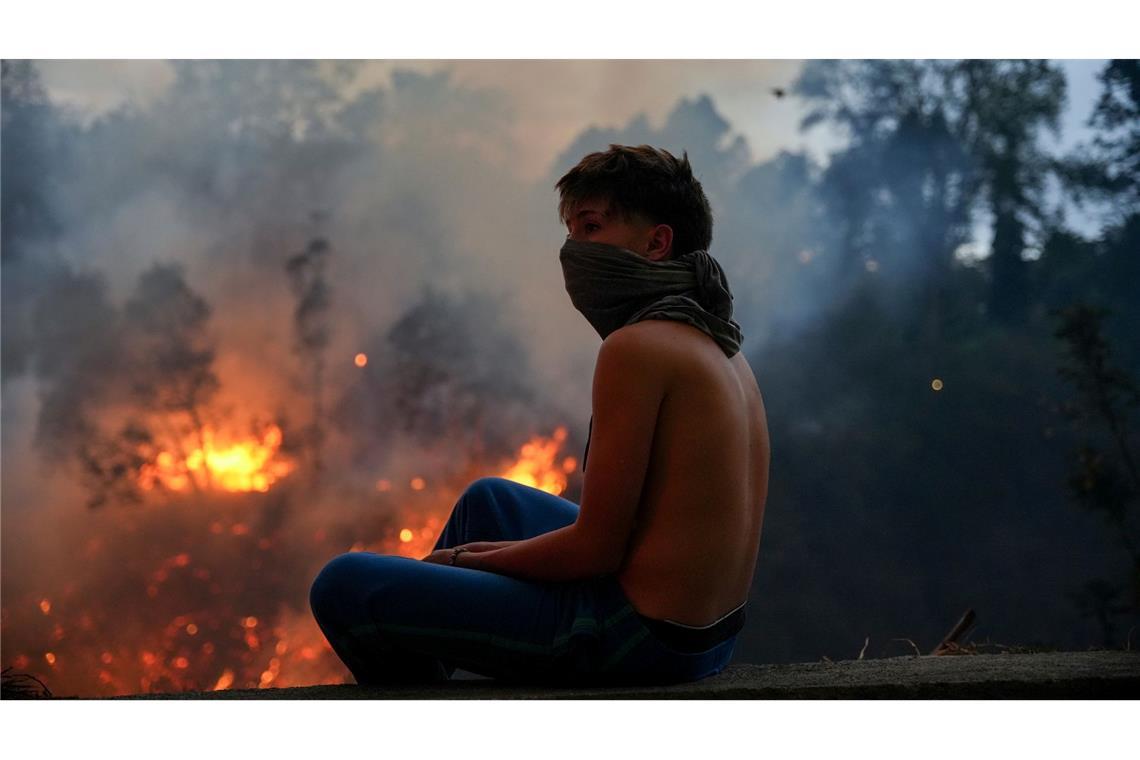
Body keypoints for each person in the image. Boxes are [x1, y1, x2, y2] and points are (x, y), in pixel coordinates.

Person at [309, 144, 770, 686]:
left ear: (657, 243)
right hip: (707, 635)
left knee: (343, 585)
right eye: (571, 231)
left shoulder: (637, 349)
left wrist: (464, 562)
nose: (574, 251)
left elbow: (597, 550)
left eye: (592, 228)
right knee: (491, 500)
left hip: (640, 638)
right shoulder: (720, 344)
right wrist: (478, 555)